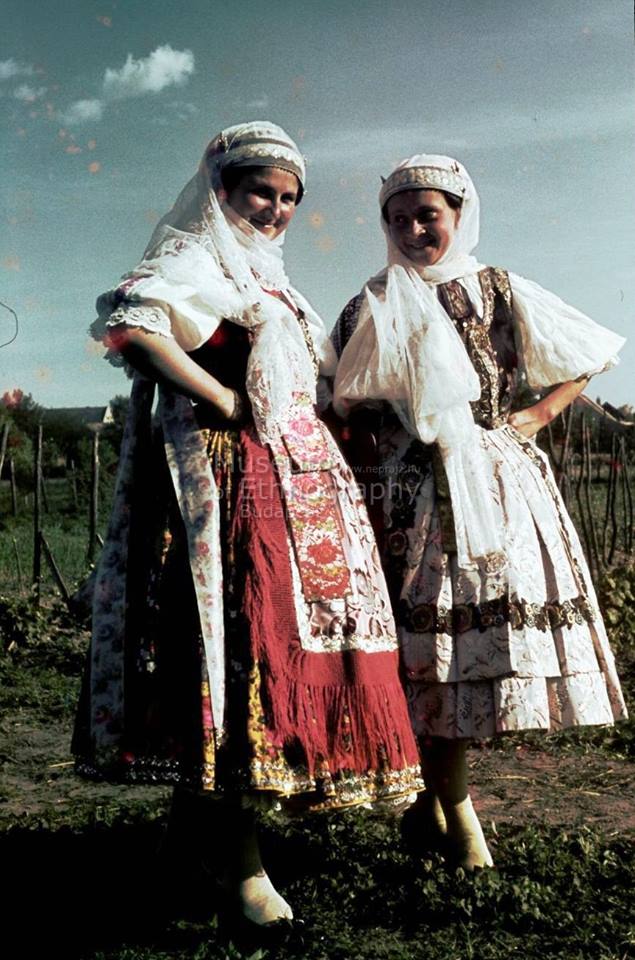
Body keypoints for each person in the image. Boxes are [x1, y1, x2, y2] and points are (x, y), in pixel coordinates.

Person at [72, 123, 423, 928]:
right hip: (234, 481)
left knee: (285, 643)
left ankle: (187, 840)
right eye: (261, 192)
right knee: (244, 647)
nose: (275, 209)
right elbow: (131, 326)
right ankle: (240, 864)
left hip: (301, 481)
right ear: (222, 190)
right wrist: (223, 398)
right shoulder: (193, 261)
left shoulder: (271, 281)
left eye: (289, 198)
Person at [332, 153, 628, 871]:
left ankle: (439, 806)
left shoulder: (498, 287)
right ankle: (450, 811)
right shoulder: (369, 302)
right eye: (398, 220)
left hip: (492, 485)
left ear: (458, 215)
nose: (413, 231)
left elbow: (586, 351)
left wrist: (538, 414)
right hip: (401, 492)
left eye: (427, 216)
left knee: (466, 650)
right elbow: (339, 397)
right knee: (422, 654)